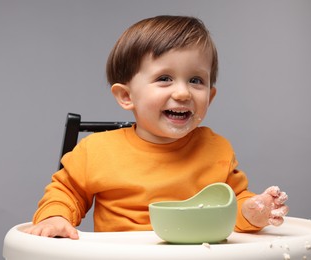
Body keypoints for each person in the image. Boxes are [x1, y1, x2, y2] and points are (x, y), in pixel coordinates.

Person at [24, 15, 288, 239]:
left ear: (211, 95)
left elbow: (233, 202)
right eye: (164, 78)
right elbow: (65, 192)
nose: (183, 93)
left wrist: (252, 211)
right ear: (127, 96)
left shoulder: (216, 149)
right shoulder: (96, 151)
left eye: (196, 80)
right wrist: (55, 217)